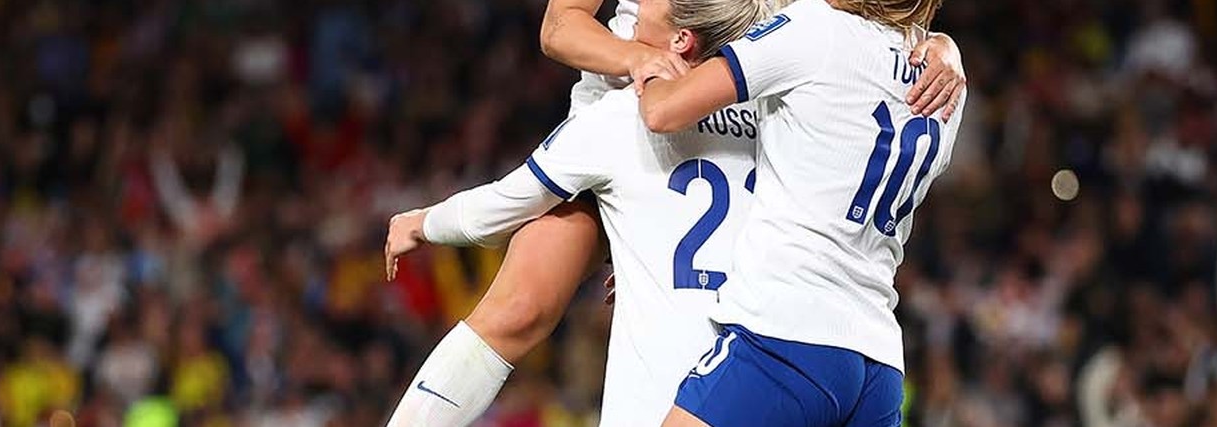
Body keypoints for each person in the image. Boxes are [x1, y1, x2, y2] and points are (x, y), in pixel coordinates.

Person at [382, 0, 966, 425]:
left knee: (705, 322)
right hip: (638, 111)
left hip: (744, 122)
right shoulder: (630, 96)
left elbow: (862, 29)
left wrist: (939, 45)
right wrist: (643, 57)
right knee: (521, 306)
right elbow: (560, 26)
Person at [636, 0, 967, 425]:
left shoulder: (817, 29)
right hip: (878, 365)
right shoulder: (949, 81)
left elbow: (663, 111)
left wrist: (649, 65)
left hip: (786, 333)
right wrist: (945, 43)